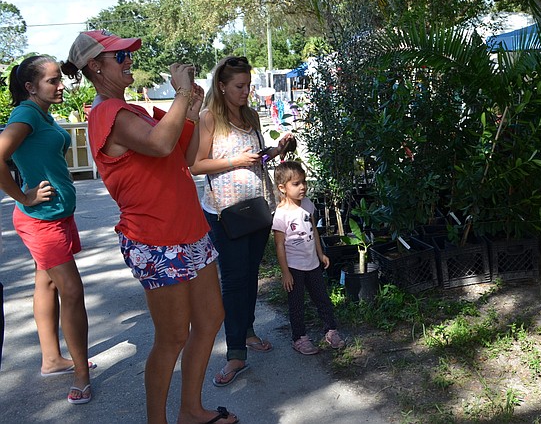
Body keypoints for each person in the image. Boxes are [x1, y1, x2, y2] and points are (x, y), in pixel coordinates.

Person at [62, 30, 237, 424]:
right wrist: (178, 94)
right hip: (157, 240)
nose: (128, 61)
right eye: (119, 56)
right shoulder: (108, 113)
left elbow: (184, 156)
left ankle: (191, 410)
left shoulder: (133, 110)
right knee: (173, 336)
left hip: (189, 231)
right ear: (95, 66)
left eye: (127, 54)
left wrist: (189, 111)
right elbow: (159, 145)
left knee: (210, 320)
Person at [190, 55, 293, 387]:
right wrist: (235, 160)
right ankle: (235, 353)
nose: (246, 92)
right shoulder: (208, 119)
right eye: (239, 86)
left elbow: (257, 159)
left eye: (248, 85)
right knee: (234, 280)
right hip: (226, 214)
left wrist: (276, 151)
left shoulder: (249, 115)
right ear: (221, 87)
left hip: (257, 209)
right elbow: (195, 165)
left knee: (250, 276)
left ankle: (246, 332)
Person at [0, 55, 93, 403]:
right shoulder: (26, 114)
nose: (60, 86)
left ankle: (52, 359)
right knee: (72, 291)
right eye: (53, 81)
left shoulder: (40, 113)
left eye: (59, 79)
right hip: (42, 221)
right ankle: (81, 376)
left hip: (56, 215)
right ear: (30, 87)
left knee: (48, 280)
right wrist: (21, 195)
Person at [272, 161, 345, 354]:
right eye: (296, 184)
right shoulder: (281, 214)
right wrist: (285, 272)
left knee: (322, 298)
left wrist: (320, 254)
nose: (302, 187)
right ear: (282, 188)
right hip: (294, 267)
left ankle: (331, 331)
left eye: (303, 182)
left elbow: (314, 230)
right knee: (296, 305)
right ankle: (299, 338)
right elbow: (279, 244)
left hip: (312, 264)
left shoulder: (307, 204)